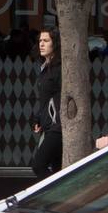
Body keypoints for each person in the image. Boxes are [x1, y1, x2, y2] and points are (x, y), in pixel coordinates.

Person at [31, 30, 63, 178]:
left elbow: (60, 98)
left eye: (46, 41)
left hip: (57, 128)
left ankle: (54, 196)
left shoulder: (59, 69)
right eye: (40, 41)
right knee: (57, 169)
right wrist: (38, 118)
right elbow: (46, 100)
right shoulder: (45, 68)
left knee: (39, 165)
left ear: (55, 43)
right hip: (48, 126)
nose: (41, 44)